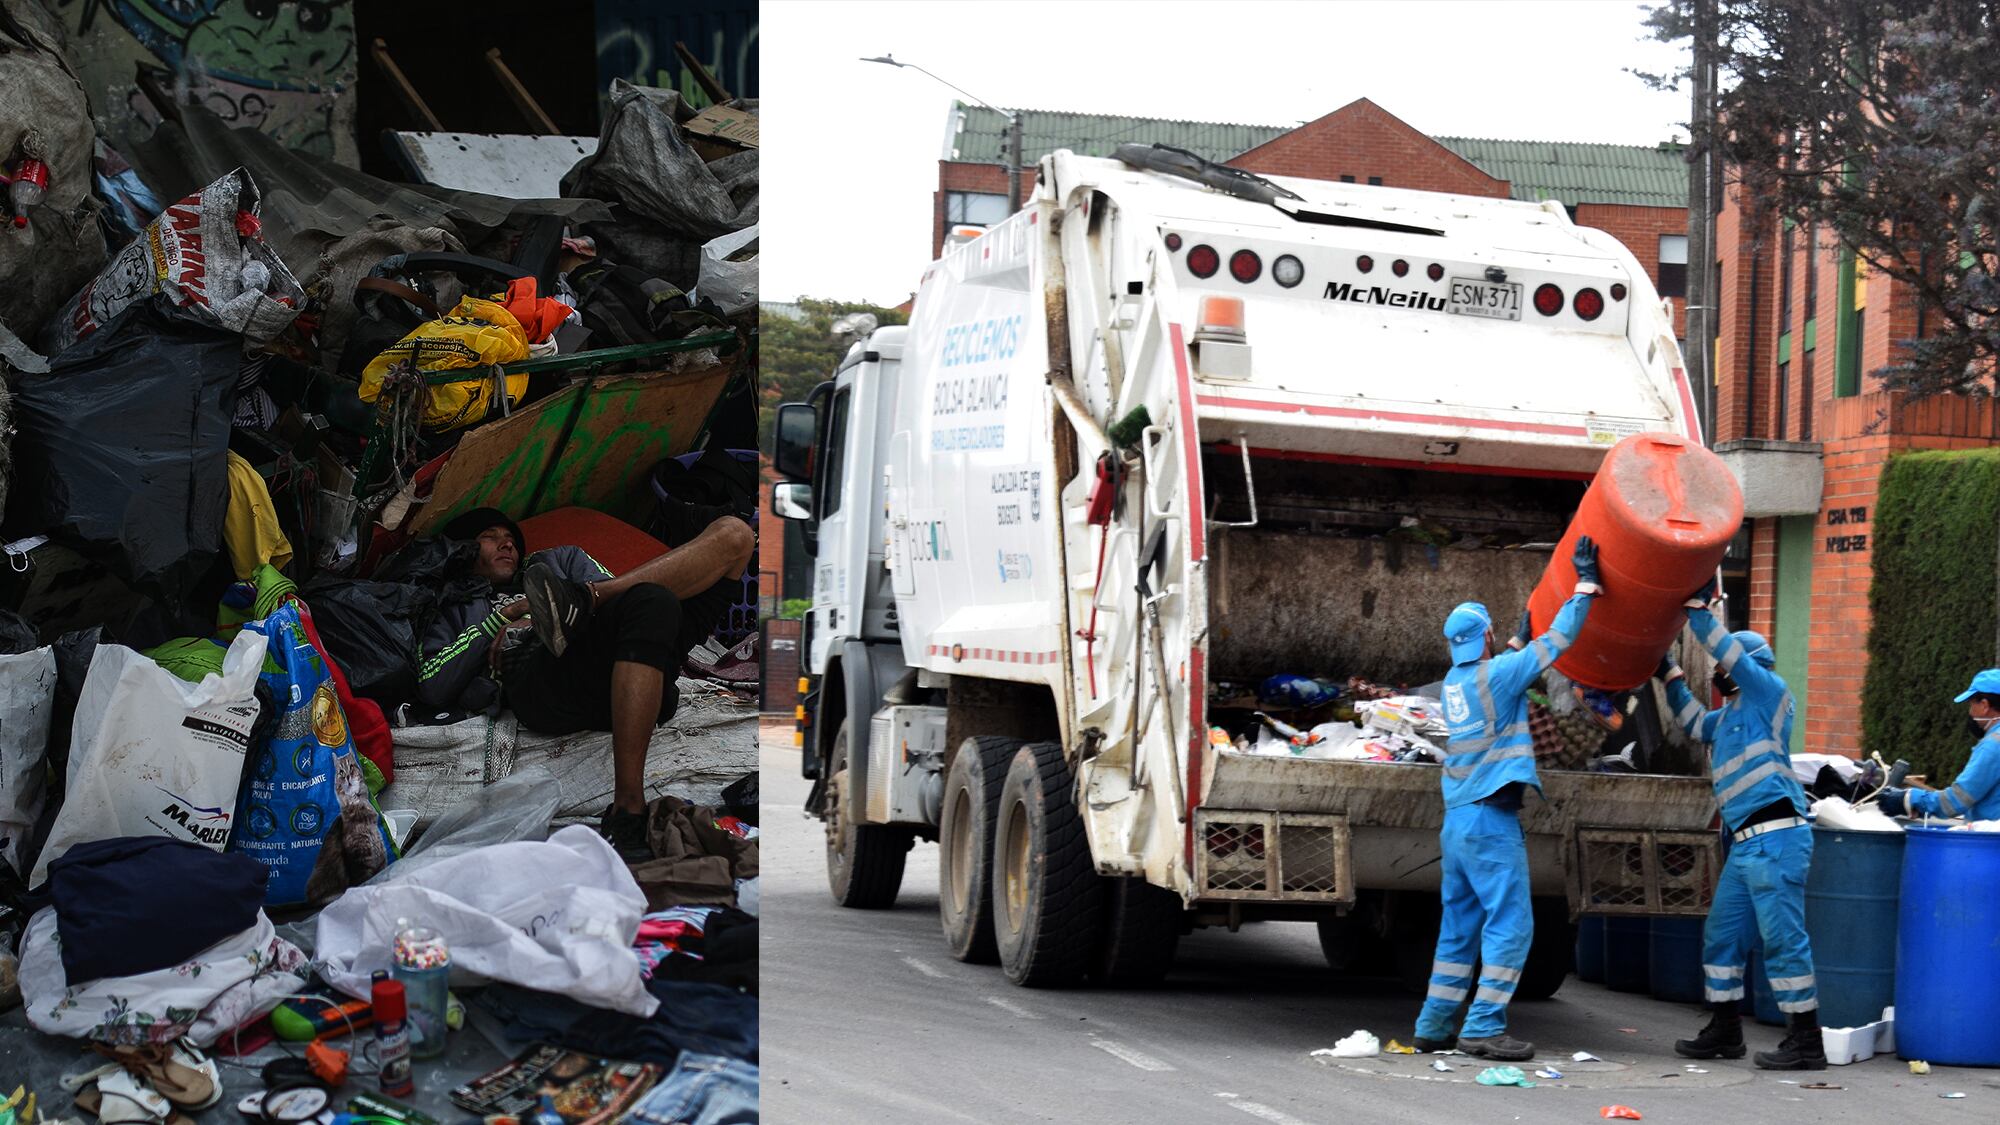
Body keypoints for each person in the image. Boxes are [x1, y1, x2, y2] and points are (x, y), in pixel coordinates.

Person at [416, 506, 755, 857]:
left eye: (510, 540)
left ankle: (582, 599)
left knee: (736, 535)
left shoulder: (558, 561)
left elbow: (630, 596)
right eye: (489, 538)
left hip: (618, 655)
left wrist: (550, 604)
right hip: (545, 682)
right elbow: (433, 684)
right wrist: (504, 617)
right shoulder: (456, 606)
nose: (505, 545)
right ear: (465, 552)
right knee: (653, 600)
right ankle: (628, 811)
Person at [1411, 535, 1603, 1061]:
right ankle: (1483, 1027)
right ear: (1487, 638)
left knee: (1458, 930)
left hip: (1458, 823)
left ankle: (1433, 1026)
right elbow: (1559, 640)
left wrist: (1510, 644)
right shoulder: (1498, 674)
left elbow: (1494, 677)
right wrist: (1584, 586)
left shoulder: (1454, 681)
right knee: (1511, 927)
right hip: (1492, 823)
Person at [1662, 582, 1821, 1069]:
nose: (1718, 674)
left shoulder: (1770, 694)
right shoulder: (1726, 717)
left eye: (1723, 668)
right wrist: (1667, 673)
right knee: (1721, 937)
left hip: (1777, 838)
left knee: (1783, 940)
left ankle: (1805, 1041)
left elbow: (1730, 653)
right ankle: (1726, 1030)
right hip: (1747, 847)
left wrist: (1700, 615)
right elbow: (1691, 721)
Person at [1872, 669, 2000, 821]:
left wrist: (1909, 798)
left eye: (1972, 704)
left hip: (1990, 841)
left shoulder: (1993, 746)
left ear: (1985, 705)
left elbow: (1957, 800)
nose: (1971, 713)